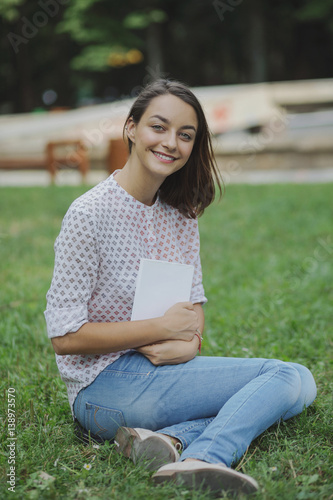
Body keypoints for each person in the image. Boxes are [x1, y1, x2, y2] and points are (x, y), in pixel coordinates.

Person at [45, 79, 317, 496]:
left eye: (185, 135)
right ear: (132, 128)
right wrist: (160, 329)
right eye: (159, 127)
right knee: (280, 377)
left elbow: (192, 306)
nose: (171, 142)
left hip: (163, 371)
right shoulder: (89, 213)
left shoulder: (181, 214)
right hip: (101, 389)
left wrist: (191, 342)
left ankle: (169, 441)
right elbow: (64, 337)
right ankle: (206, 456)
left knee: (299, 380)